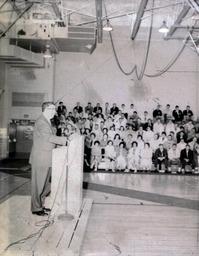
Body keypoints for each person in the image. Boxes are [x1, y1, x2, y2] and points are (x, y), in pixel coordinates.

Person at [29, 102, 68, 216]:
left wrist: (60, 143)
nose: (55, 111)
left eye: (54, 109)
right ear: (45, 110)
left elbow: (49, 139)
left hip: (47, 157)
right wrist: (65, 140)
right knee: (38, 185)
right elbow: (49, 137)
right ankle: (36, 208)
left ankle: (40, 205)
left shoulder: (48, 122)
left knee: (45, 185)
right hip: (41, 158)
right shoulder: (41, 121)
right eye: (52, 109)